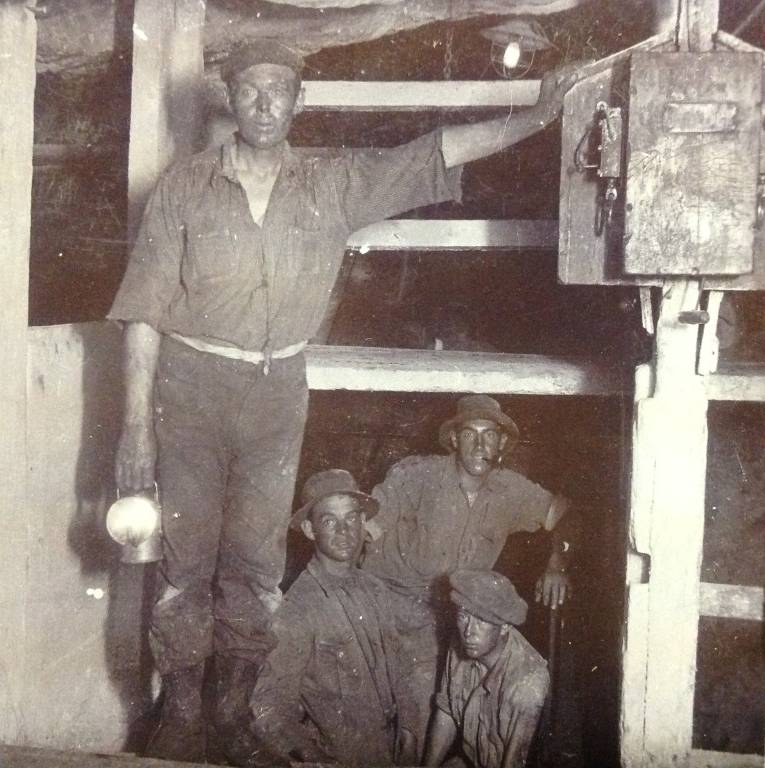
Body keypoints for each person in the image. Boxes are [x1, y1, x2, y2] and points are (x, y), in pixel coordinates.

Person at [108, 36, 581, 765]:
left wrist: (539, 113)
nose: (265, 102)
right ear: (230, 99)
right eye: (251, 88)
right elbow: (142, 310)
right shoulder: (184, 188)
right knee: (185, 557)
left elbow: (438, 151)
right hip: (192, 386)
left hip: (277, 391)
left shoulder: (333, 184)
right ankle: (180, 713)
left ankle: (232, 713)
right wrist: (135, 428)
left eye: (280, 88)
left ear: (300, 100)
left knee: (257, 563)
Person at [361, 394, 573, 753]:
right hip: (384, 605)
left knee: (417, 725)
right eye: (470, 434)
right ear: (455, 439)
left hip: (443, 619)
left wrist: (557, 563)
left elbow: (566, 512)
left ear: (501, 443)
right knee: (366, 717)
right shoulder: (417, 476)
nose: (479, 445)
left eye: (489, 435)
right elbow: (365, 528)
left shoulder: (510, 490)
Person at [250, 468, 417, 766]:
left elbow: (401, 667)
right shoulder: (298, 609)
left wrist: (409, 726)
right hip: (339, 755)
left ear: (364, 522)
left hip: (389, 752)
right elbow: (269, 705)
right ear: (310, 530)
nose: (344, 530)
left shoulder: (377, 591)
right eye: (329, 520)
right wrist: (309, 754)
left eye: (352, 518)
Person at [424, 569, 550, 768]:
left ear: (505, 626)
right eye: (464, 617)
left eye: (481, 620)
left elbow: (514, 762)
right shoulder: (460, 646)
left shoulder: (527, 680)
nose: (469, 632)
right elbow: (447, 712)